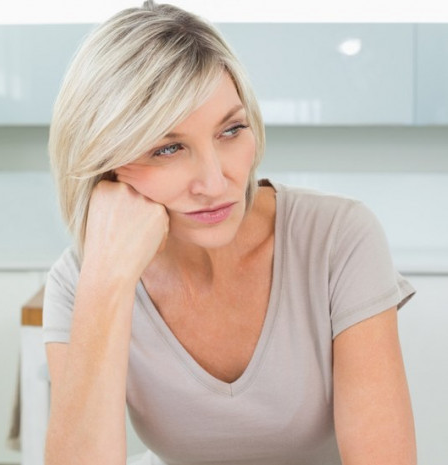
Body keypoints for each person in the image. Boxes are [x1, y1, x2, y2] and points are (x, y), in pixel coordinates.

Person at [42, 2, 417, 464]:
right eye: (168, 148)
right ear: (105, 167)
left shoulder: (337, 239)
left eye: (231, 130)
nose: (217, 183)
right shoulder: (79, 281)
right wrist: (106, 284)